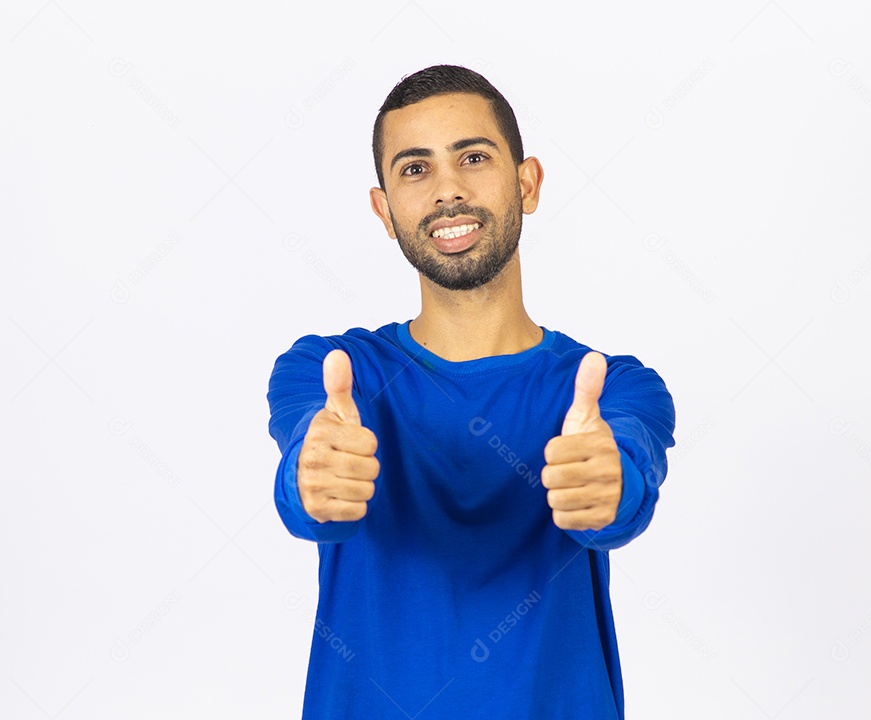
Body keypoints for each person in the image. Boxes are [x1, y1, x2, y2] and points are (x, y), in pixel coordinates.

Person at [266, 64, 676, 719]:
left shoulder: (616, 389)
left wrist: (610, 486)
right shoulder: (329, 369)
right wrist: (312, 480)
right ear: (384, 210)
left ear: (528, 182)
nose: (447, 191)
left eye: (474, 157)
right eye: (414, 169)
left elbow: (623, 494)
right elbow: (305, 484)